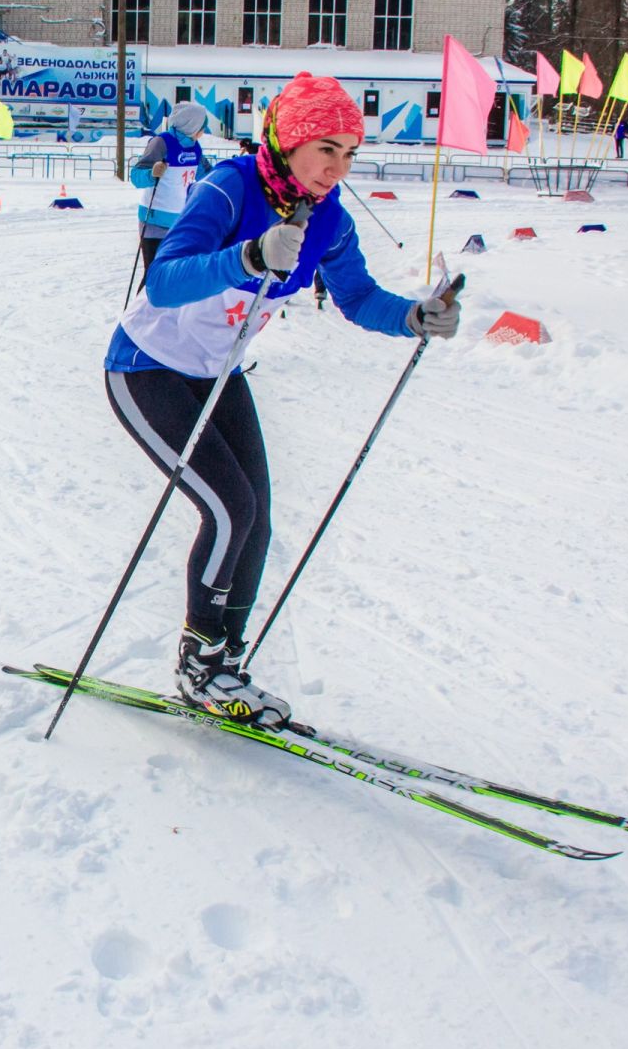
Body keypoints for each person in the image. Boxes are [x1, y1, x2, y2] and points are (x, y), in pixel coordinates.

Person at [105, 72, 460, 728]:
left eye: (350, 153)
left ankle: (226, 663)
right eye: (327, 147)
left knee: (258, 517)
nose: (339, 166)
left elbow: (357, 298)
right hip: (146, 368)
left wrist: (414, 317)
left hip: (216, 373)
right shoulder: (230, 187)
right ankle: (199, 663)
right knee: (230, 507)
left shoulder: (330, 220)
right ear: (291, 139)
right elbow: (164, 279)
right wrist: (247, 255)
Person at [130, 101, 214, 288]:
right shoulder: (161, 142)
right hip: (155, 221)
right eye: (202, 126)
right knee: (154, 276)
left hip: (181, 221)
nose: (203, 131)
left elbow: (208, 175)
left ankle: (166, 316)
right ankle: (138, 316)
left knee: (176, 276)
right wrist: (152, 172)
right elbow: (136, 177)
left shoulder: (195, 147)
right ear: (191, 124)